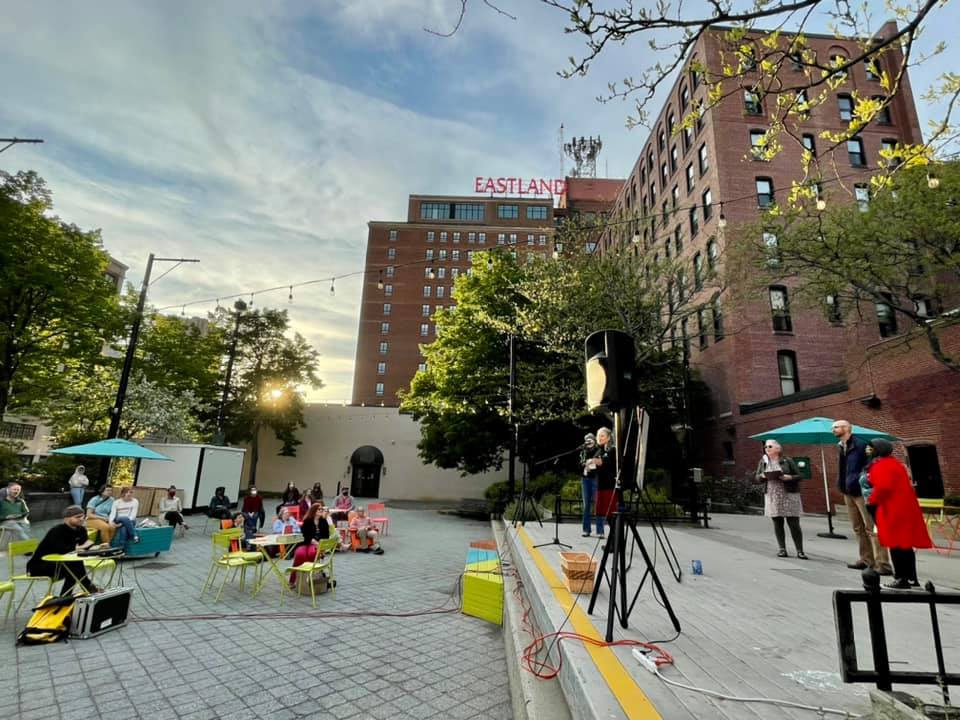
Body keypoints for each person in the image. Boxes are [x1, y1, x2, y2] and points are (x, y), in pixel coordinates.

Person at [867, 439, 932, 589]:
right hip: (903, 507)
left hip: (892, 508)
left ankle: (901, 578)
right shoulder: (895, 464)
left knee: (896, 544)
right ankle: (911, 578)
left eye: (870, 448)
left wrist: (872, 501)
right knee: (905, 544)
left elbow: (883, 487)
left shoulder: (882, 465)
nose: (867, 451)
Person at [833, 420, 892, 574]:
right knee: (858, 528)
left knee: (871, 527)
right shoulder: (841, 446)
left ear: (846, 428)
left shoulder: (861, 445)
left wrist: (860, 478)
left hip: (861, 491)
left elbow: (871, 463)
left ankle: (883, 564)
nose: (833, 430)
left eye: (836, 427)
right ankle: (866, 560)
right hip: (848, 491)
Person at [27, 505, 97, 596]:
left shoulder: (81, 530)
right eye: (77, 517)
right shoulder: (57, 531)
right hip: (40, 566)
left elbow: (87, 545)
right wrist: (81, 547)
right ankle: (88, 588)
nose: (81, 519)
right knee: (74, 567)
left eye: (83, 516)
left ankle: (66, 597)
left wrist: (99, 547)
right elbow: (62, 550)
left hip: (63, 564)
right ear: (66, 519)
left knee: (74, 567)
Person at [755, 440, 807, 559]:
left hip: (789, 493)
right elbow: (757, 477)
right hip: (772, 494)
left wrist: (789, 477)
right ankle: (782, 549)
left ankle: (800, 550)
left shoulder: (787, 460)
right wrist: (762, 476)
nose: (767, 448)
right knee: (777, 522)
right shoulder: (763, 461)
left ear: (778, 449)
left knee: (793, 522)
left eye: (770, 446)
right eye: (765, 446)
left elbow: (799, 475)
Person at [591, 428, 617, 538]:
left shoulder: (612, 450)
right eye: (598, 435)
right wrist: (589, 466)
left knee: (612, 516)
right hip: (600, 486)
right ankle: (613, 542)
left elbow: (604, 462)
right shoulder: (599, 451)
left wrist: (595, 461)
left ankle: (615, 543)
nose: (599, 438)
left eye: (602, 435)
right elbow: (595, 466)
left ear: (608, 437)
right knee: (607, 516)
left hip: (609, 487)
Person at [580, 433, 602, 538]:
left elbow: (601, 465)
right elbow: (580, 464)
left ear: (594, 440)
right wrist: (585, 466)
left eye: (591, 440)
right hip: (585, 480)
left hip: (596, 479)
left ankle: (600, 531)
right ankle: (586, 530)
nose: (589, 442)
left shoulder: (599, 451)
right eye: (587, 440)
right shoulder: (583, 451)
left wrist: (591, 466)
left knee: (598, 505)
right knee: (586, 506)